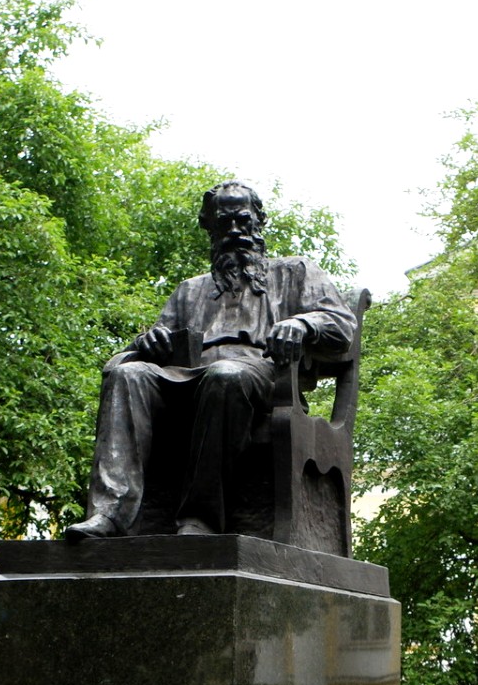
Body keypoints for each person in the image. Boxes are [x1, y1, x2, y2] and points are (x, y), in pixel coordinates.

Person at [64, 182, 355, 540]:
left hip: (260, 373)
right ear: (210, 227)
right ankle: (111, 514)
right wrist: (149, 342)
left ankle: (199, 520)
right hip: (184, 374)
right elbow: (158, 339)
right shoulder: (191, 289)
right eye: (224, 223)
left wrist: (302, 323)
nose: (234, 231)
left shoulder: (295, 272)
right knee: (129, 375)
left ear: (258, 221)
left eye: (242, 220)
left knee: (225, 375)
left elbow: (342, 326)